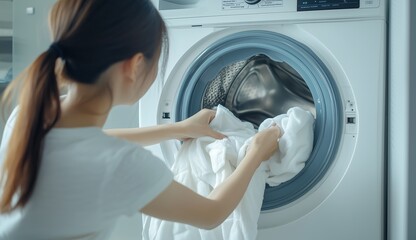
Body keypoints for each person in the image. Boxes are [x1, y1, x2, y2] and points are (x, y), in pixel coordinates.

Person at [0, 0, 281, 239]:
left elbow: (90, 146)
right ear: (135, 66)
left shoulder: (29, 114)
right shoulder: (121, 165)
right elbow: (210, 213)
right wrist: (255, 154)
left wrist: (178, 129)